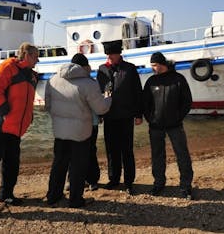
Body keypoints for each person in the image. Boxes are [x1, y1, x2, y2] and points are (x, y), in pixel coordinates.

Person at [0, 42, 40, 221]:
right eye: (35, 56)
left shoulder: (32, 76)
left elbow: (27, 100)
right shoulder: (7, 67)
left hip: (16, 127)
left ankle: (6, 194)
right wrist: (5, 111)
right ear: (27, 55)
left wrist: (28, 117)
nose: (38, 60)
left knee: (12, 162)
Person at [45, 53, 111, 208]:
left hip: (60, 131)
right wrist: (108, 98)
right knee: (77, 166)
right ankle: (75, 200)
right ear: (85, 67)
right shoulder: (88, 83)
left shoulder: (53, 80)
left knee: (59, 164)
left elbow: (48, 106)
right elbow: (101, 108)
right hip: (81, 133)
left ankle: (53, 196)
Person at [142, 52, 193, 199]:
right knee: (157, 155)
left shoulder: (178, 79)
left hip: (175, 125)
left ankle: (185, 185)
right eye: (152, 66)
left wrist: (178, 117)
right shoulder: (151, 82)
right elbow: (145, 103)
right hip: (155, 125)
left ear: (162, 64)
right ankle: (158, 183)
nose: (153, 68)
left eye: (155, 65)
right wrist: (150, 118)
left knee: (182, 154)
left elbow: (187, 102)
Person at [96, 40, 143, 195]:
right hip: (109, 116)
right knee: (111, 150)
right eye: (107, 55)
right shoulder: (102, 70)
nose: (109, 57)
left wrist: (138, 114)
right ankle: (114, 179)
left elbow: (137, 92)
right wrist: (100, 114)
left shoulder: (129, 69)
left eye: (111, 55)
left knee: (126, 150)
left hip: (126, 116)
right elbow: (100, 93)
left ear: (118, 54)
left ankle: (129, 182)